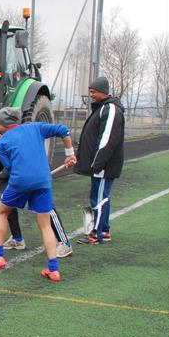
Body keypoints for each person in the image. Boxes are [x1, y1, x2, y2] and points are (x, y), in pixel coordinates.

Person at [0, 107, 77, 282]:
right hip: (43, 181)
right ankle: (53, 269)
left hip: (19, 182)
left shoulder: (1, 143)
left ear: (2, 125)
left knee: (2, 212)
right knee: (45, 225)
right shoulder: (36, 127)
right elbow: (63, 130)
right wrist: (70, 154)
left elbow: (9, 167)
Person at [0, 121, 73, 258]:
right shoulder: (1, 145)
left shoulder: (18, 138)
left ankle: (64, 243)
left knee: (47, 210)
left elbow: (14, 167)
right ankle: (17, 240)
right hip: (19, 179)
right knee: (7, 206)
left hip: (36, 176)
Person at [73, 76, 125, 245]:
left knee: (99, 199)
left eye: (93, 92)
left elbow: (107, 138)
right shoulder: (102, 108)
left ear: (103, 92)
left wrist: (97, 163)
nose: (91, 95)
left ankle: (96, 233)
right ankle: (104, 230)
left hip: (104, 165)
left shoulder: (110, 109)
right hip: (99, 164)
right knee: (100, 197)